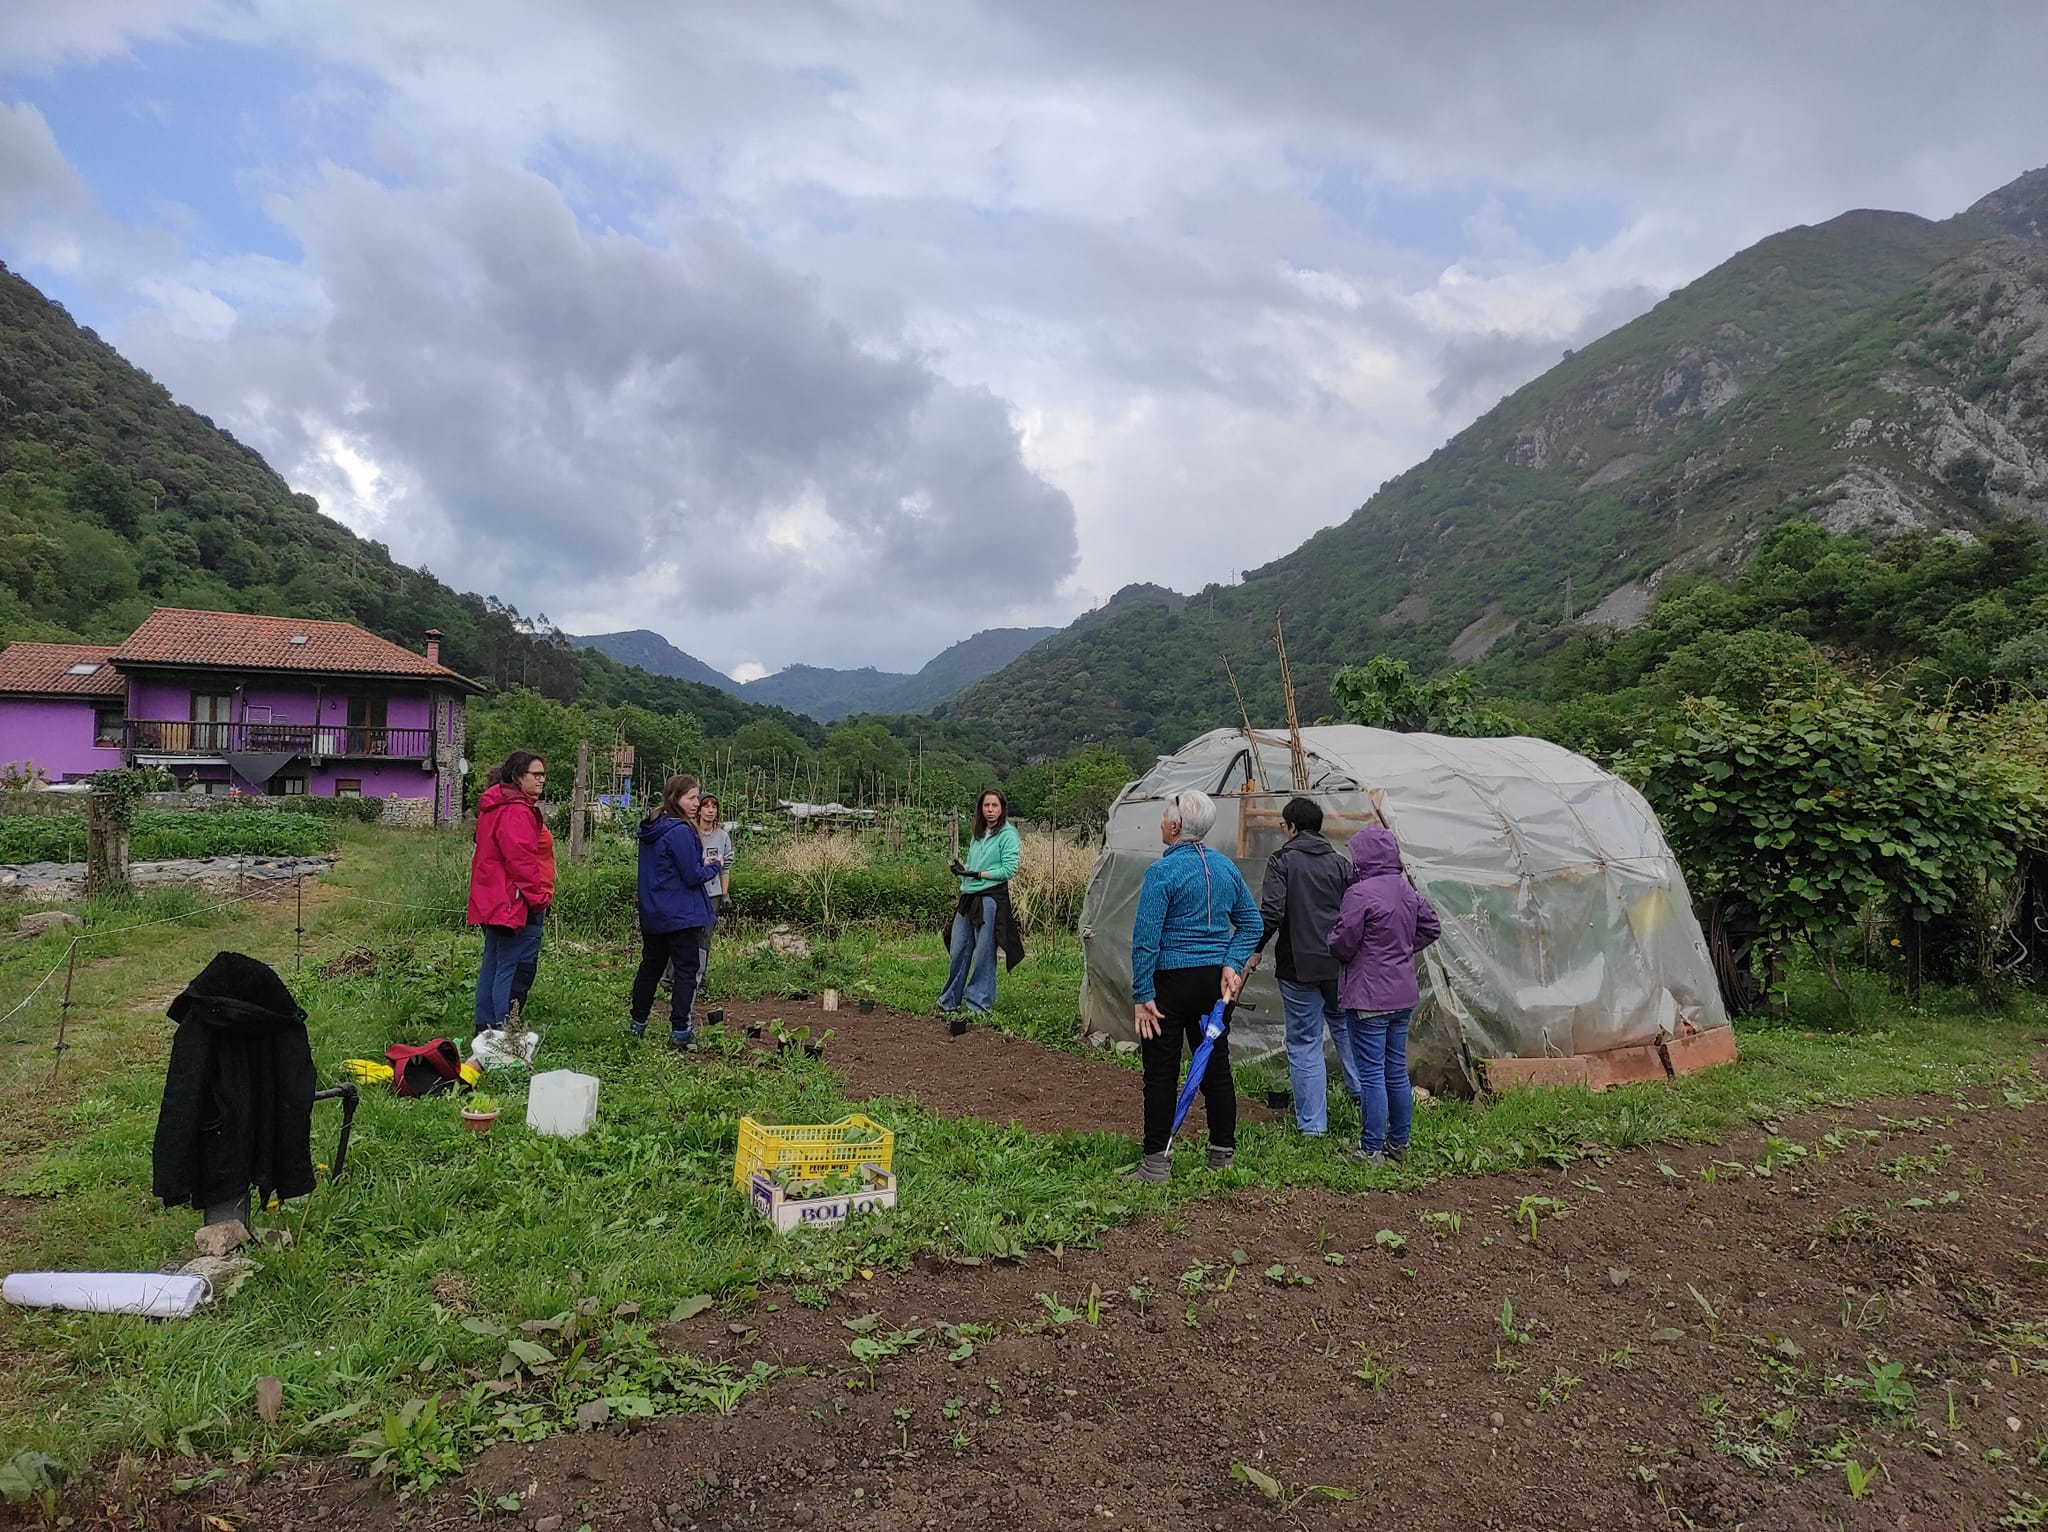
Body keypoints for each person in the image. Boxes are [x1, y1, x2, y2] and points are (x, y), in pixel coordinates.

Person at [1127, 789, 1260, 1182]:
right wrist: (1232, 963)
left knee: (1161, 1070)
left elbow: (1146, 939)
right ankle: (1222, 1155)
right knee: (1215, 1065)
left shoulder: (1162, 872)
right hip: (1214, 986)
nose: (1162, 820)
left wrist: (1142, 995)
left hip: (1170, 983)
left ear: (1174, 825)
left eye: (1165, 813)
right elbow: (1251, 923)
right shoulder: (1224, 868)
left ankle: (1155, 1164)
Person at [1246, 796, 1361, 1136]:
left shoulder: (1283, 861)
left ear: (1292, 827)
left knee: (1304, 1041)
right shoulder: (1341, 864)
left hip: (1299, 966)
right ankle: (1363, 1098)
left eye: (1284, 826)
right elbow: (1355, 914)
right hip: (1338, 964)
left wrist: (1255, 949)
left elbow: (1272, 912)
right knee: (1345, 1027)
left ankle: (1313, 1126)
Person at [1328, 824, 1442, 1165]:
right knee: (1395, 1070)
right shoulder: (1405, 889)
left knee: (1372, 1074)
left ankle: (1371, 1149)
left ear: (1364, 857)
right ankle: (1398, 1144)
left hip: (1368, 994)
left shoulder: (1360, 893)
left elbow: (1342, 941)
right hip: (1401, 994)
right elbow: (1431, 927)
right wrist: (1402, 950)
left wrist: (1349, 951)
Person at [630, 774, 725, 1049]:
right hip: (681, 914)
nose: (696, 803)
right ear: (676, 799)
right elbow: (692, 875)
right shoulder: (681, 831)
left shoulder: (652, 827)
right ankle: (680, 1031)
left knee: (650, 968)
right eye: (691, 797)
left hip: (654, 912)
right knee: (686, 970)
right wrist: (714, 865)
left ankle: (637, 1024)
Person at [468, 751, 555, 1036]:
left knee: (492, 963)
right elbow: (521, 861)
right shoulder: (517, 810)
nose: (542, 779)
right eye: (536, 774)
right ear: (519, 777)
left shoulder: (494, 806)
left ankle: (484, 1028)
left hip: (490, 897)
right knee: (507, 966)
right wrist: (538, 898)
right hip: (511, 899)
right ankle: (502, 1030)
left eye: (543, 774)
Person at [938, 789, 1023, 1016]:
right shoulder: (978, 833)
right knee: (958, 948)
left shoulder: (1008, 834)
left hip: (990, 898)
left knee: (984, 952)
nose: (990, 810)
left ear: (1002, 808)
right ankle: (950, 1000)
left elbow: (1008, 869)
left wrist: (979, 874)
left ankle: (978, 1004)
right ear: (981, 808)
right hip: (968, 895)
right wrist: (964, 870)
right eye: (987, 806)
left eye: (995, 806)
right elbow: (975, 865)